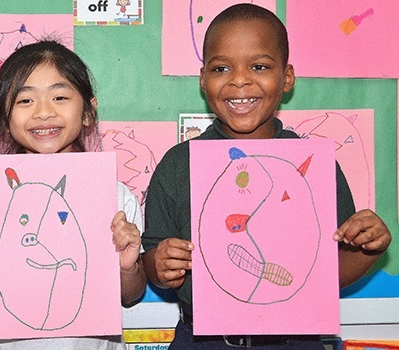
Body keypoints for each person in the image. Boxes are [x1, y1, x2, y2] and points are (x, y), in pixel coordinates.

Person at [141, 4, 392, 349]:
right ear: (203, 79)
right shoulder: (178, 164)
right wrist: (159, 264)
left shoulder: (314, 165)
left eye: (259, 66)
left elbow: (328, 273)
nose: (240, 79)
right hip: (202, 341)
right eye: (221, 67)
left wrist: (369, 248)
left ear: (287, 77)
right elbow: (152, 262)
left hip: (295, 341)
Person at [0, 40, 147, 350]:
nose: (44, 112)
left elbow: (130, 295)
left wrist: (127, 266)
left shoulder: (117, 200)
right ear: (4, 118)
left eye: (59, 97)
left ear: (88, 111)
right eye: (25, 100)